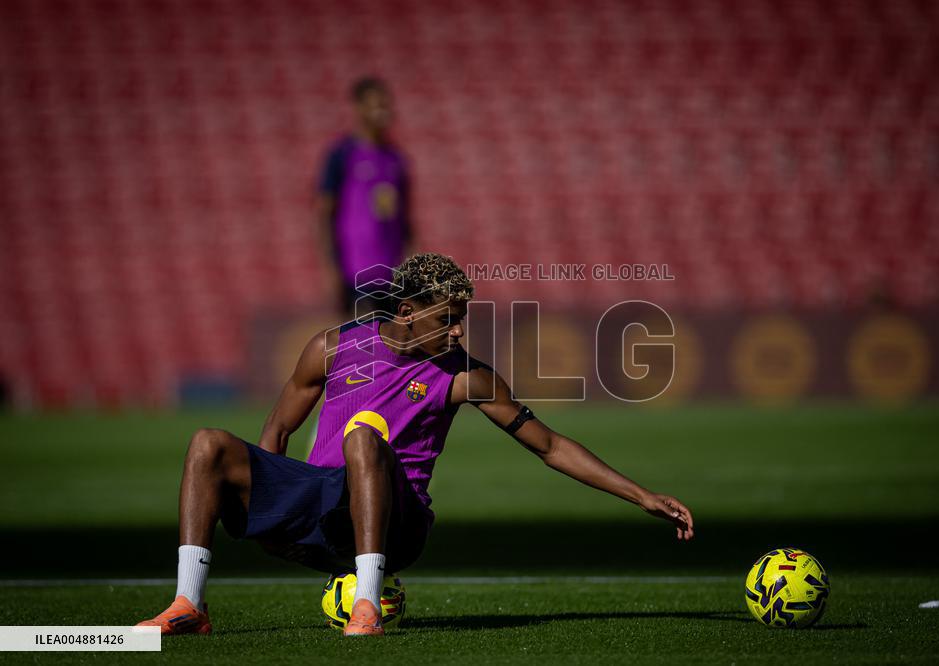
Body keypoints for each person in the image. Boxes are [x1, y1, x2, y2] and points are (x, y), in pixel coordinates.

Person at [136, 253, 694, 637]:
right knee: (208, 443)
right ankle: (189, 605)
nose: (458, 332)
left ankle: (366, 605)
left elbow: (548, 445)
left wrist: (641, 495)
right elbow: (275, 432)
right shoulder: (331, 348)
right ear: (407, 312)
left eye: (462, 320)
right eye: (448, 320)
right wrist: (279, 509)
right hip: (324, 507)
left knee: (363, 434)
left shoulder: (465, 375)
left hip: (398, 523)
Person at [316, 76, 412, 317]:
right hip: (356, 268)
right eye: (375, 104)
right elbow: (324, 211)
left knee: (392, 344)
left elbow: (404, 216)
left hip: (392, 269)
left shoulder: (396, 159)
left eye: (385, 104)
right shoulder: (341, 155)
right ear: (358, 108)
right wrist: (331, 267)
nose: (383, 111)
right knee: (362, 342)